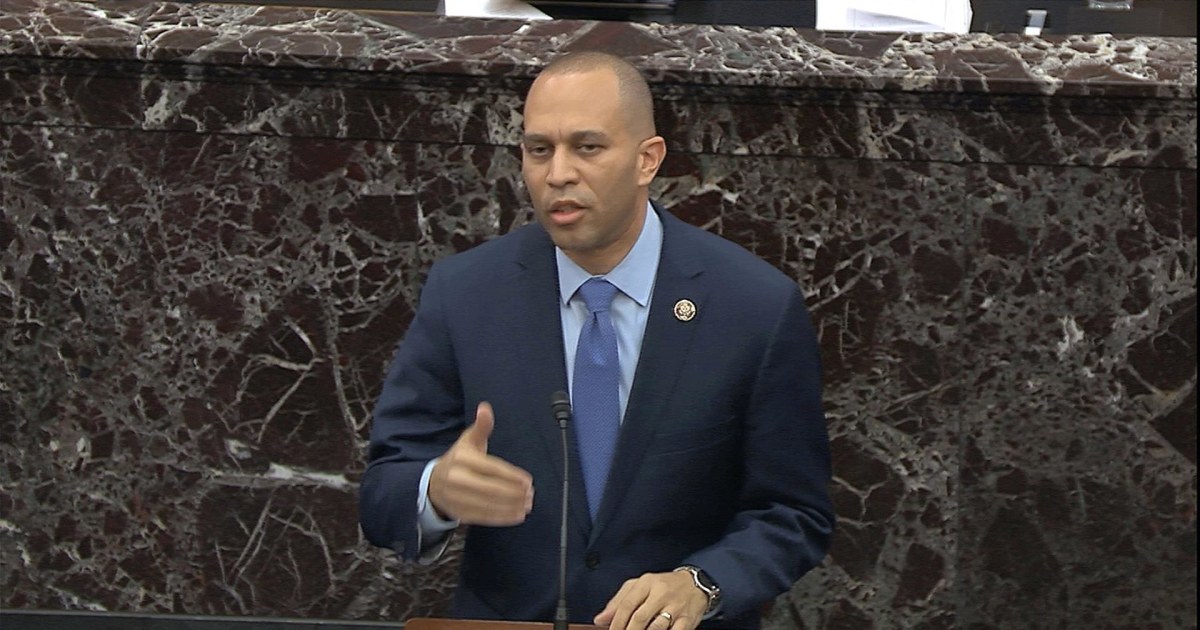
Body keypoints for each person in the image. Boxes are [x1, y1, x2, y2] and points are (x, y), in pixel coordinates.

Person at [359, 51, 834, 630]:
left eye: (587, 147)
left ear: (646, 160)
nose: (558, 173)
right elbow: (384, 487)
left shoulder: (752, 306)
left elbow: (793, 511)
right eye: (539, 150)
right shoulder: (466, 294)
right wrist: (435, 490)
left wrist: (701, 584)